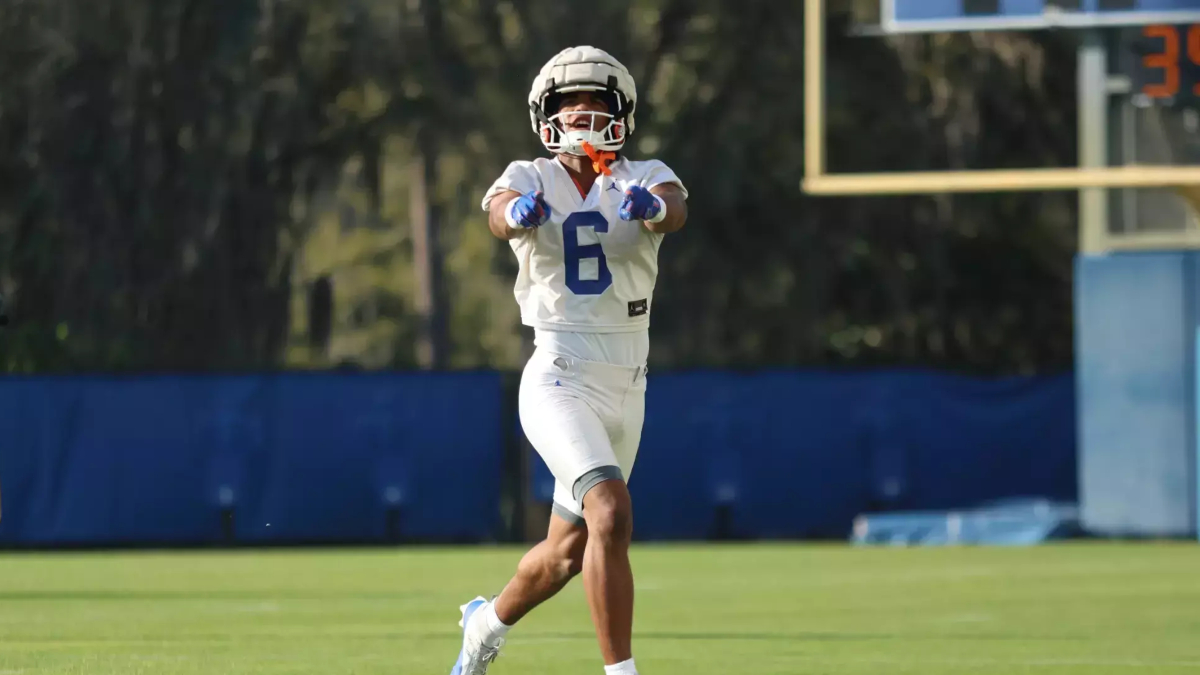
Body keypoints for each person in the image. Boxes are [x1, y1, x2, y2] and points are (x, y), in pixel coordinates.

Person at [449, 46, 688, 675]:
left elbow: (675, 206)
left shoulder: (645, 175)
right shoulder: (529, 174)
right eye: (568, 106)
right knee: (609, 509)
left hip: (627, 381)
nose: (582, 117)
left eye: (595, 105)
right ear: (546, 116)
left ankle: (485, 624)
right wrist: (513, 215)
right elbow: (499, 212)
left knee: (565, 552)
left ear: (620, 113)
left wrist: (654, 207)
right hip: (559, 372)